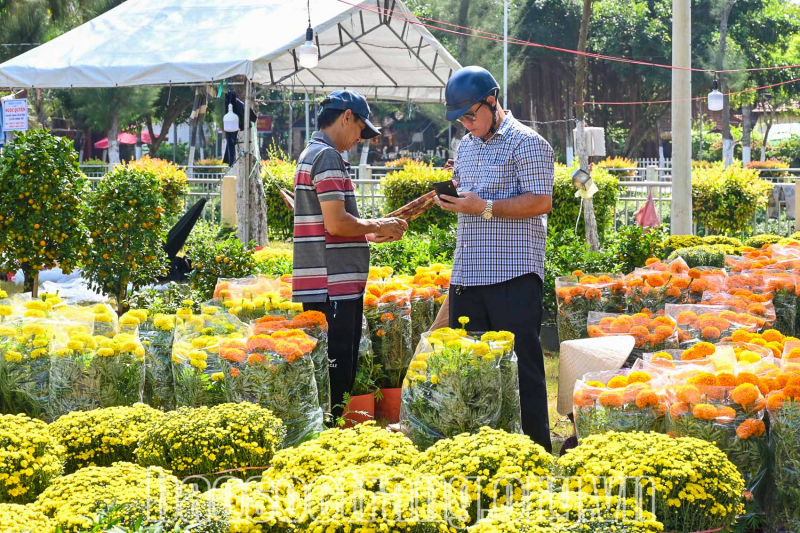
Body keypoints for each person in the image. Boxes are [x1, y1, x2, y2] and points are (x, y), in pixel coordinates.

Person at [435, 66, 555, 451]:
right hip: (468, 275)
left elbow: (541, 201)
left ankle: (537, 452)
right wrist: (455, 200)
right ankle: (477, 452)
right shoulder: (466, 147)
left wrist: (484, 207)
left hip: (513, 276)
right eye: (460, 120)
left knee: (523, 371)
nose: (467, 125)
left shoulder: (528, 143)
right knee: (471, 372)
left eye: (471, 115)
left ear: (493, 100)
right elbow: (471, 202)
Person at [291, 90, 408, 419]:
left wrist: (371, 233)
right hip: (334, 289)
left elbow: (330, 226)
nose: (359, 138)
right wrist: (379, 222)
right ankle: (329, 448)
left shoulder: (310, 153)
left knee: (323, 379)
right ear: (346, 117)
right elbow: (337, 223)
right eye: (360, 128)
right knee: (336, 379)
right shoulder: (326, 157)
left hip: (322, 285)